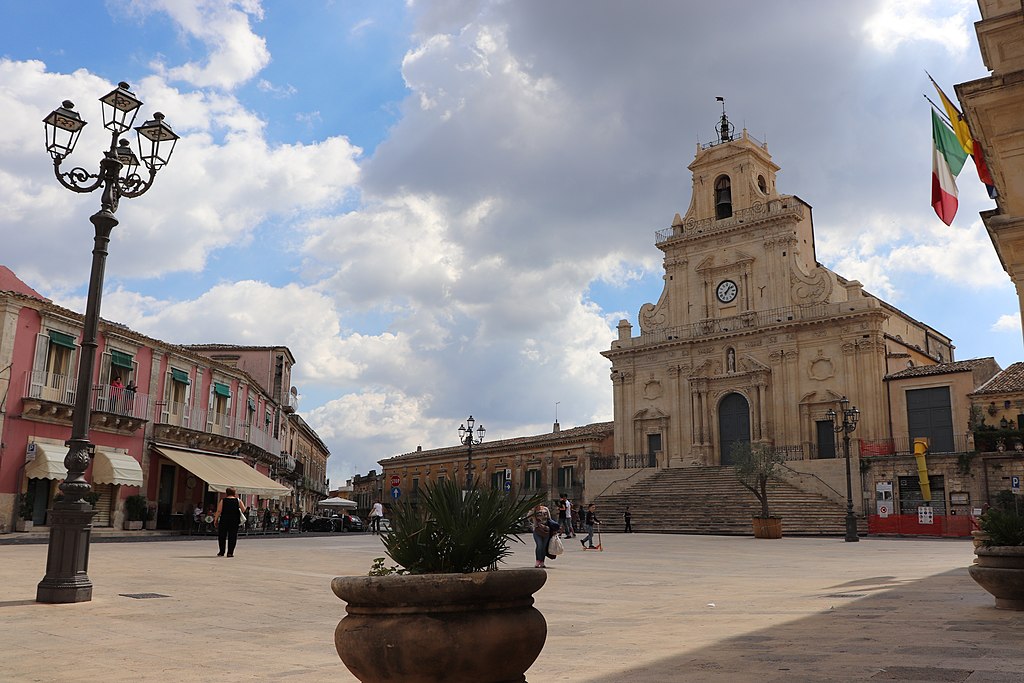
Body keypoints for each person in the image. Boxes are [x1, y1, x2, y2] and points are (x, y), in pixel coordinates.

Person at [215, 487, 247, 557]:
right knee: (232, 536)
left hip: (224, 520)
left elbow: (219, 511)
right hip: (234, 521)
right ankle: (230, 552)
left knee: (222, 536)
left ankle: (221, 551)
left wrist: (215, 519)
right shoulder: (238, 501)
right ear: (234, 493)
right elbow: (244, 509)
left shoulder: (223, 500)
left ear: (226, 493)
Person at [528, 502, 552, 568]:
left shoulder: (545, 509)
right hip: (537, 531)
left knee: (544, 547)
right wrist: (533, 525)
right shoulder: (533, 510)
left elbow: (549, 519)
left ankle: (542, 562)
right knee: (539, 545)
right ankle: (537, 560)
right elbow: (528, 517)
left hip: (546, 530)